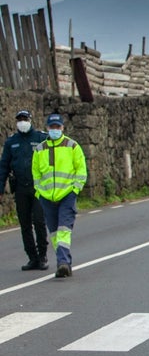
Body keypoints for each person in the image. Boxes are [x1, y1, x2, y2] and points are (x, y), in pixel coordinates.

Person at [32, 113, 87, 279]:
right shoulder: (40, 149)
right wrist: (39, 192)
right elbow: (36, 173)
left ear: (63, 128)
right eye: (52, 127)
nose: (55, 130)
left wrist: (75, 189)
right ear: (47, 128)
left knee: (64, 229)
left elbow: (81, 169)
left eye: (58, 127)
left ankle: (62, 262)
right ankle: (64, 262)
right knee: (55, 232)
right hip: (47, 198)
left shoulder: (72, 146)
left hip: (67, 195)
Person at [0, 110, 50, 270]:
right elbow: (4, 166)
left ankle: (42, 256)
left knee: (39, 221)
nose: (22, 122)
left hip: (38, 188)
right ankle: (32, 257)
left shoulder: (41, 138)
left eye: (25, 119)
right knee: (25, 224)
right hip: (21, 187)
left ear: (30, 120)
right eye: (19, 119)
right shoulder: (11, 142)